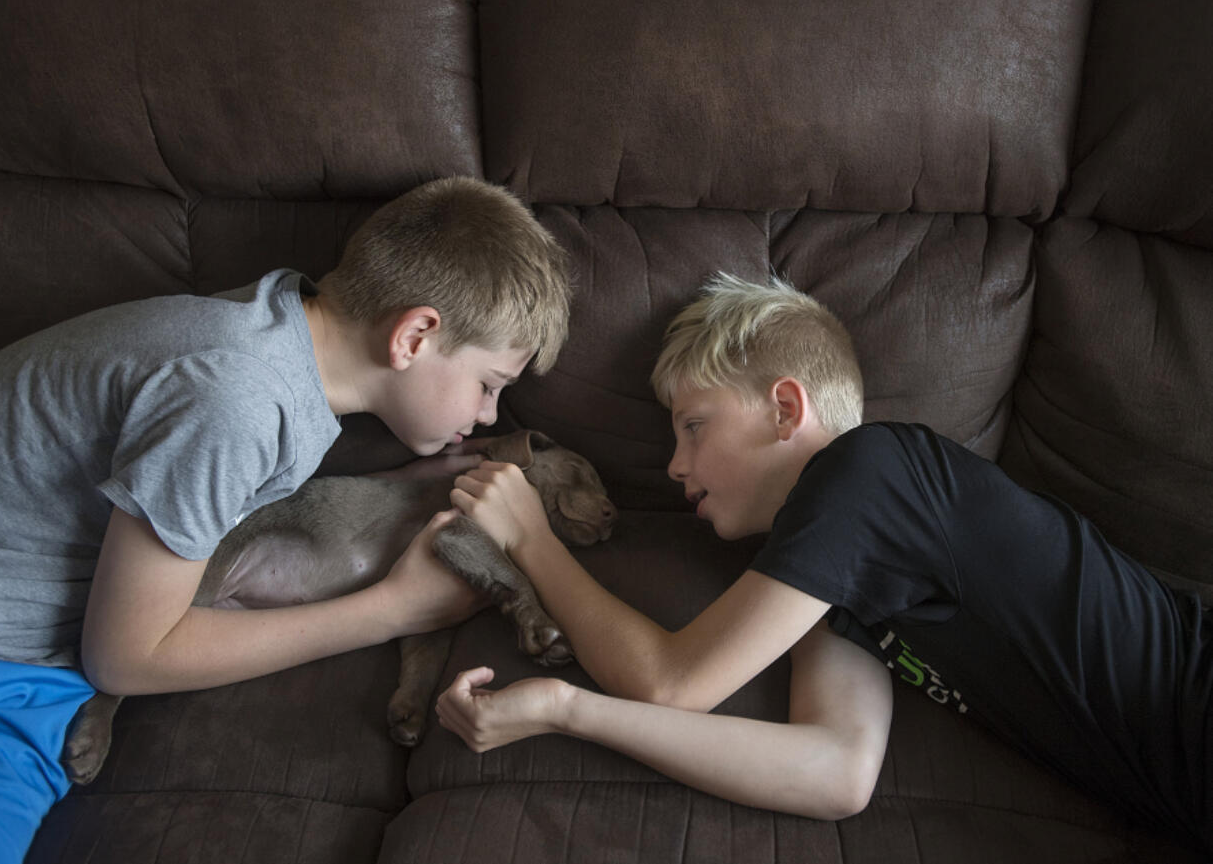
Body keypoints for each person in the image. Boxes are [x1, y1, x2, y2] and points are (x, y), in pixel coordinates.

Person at [437, 271, 1212, 853]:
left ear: (785, 408)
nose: (674, 466)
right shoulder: (834, 578)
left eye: (693, 425)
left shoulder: (869, 471)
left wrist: (532, 538)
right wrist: (562, 710)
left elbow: (671, 681)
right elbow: (835, 771)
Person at [0, 176, 571, 863]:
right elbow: (122, 657)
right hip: (9, 662)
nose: (488, 416)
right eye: (489, 385)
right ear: (414, 335)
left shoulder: (280, 339)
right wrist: (392, 609)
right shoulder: (236, 400)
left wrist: (398, 485)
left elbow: (216, 495)